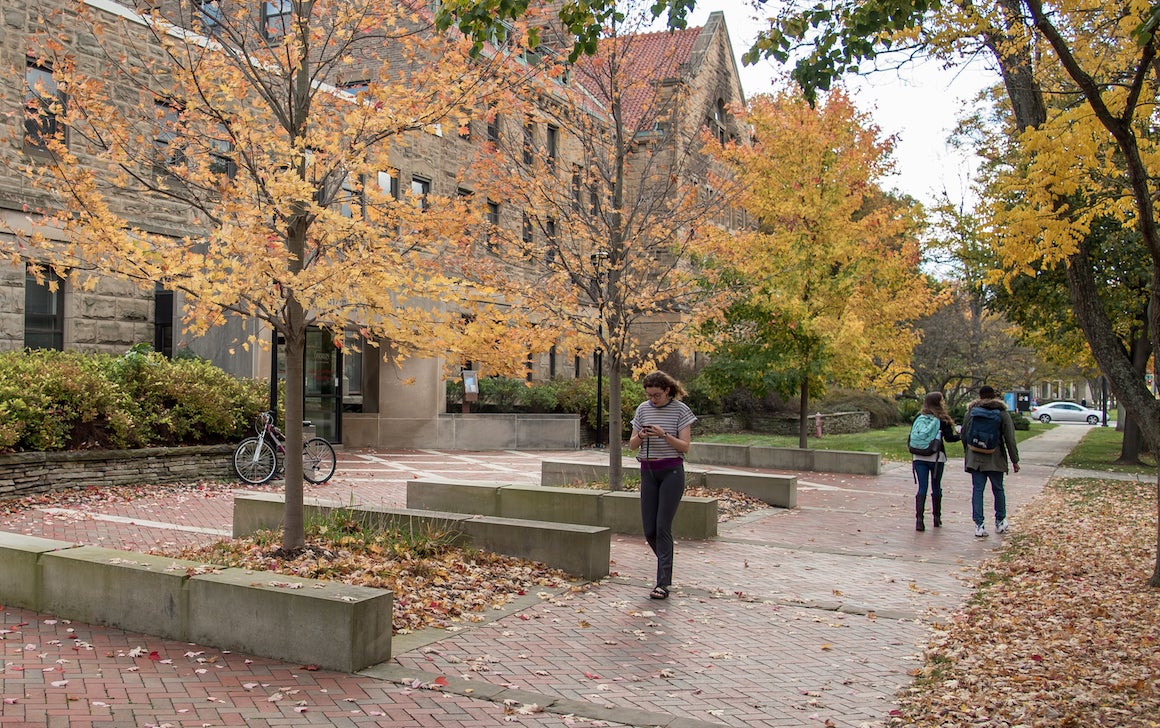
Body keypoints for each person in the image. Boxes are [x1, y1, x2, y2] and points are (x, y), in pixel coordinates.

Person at [627, 371, 697, 600]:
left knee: (662, 526)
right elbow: (631, 445)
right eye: (649, 395)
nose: (653, 399)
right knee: (649, 530)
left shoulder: (680, 410)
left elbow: (685, 446)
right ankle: (666, 565)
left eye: (657, 395)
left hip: (671, 471)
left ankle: (662, 583)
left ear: (667, 390)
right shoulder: (642, 409)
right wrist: (642, 436)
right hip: (648, 470)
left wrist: (663, 434)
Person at [962, 385, 1020, 537]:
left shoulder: (971, 412)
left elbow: (964, 434)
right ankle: (1000, 521)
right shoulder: (1002, 413)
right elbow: (1010, 439)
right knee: (998, 489)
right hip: (995, 457)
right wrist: (1015, 460)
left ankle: (979, 525)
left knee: (978, 490)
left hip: (975, 458)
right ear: (994, 396)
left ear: (979, 396)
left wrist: (968, 452)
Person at [911, 392, 960, 531]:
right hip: (936, 458)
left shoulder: (919, 417)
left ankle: (919, 520)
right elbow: (949, 439)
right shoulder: (942, 419)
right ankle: (936, 518)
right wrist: (960, 435)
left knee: (922, 487)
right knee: (936, 486)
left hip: (919, 456)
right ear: (939, 402)